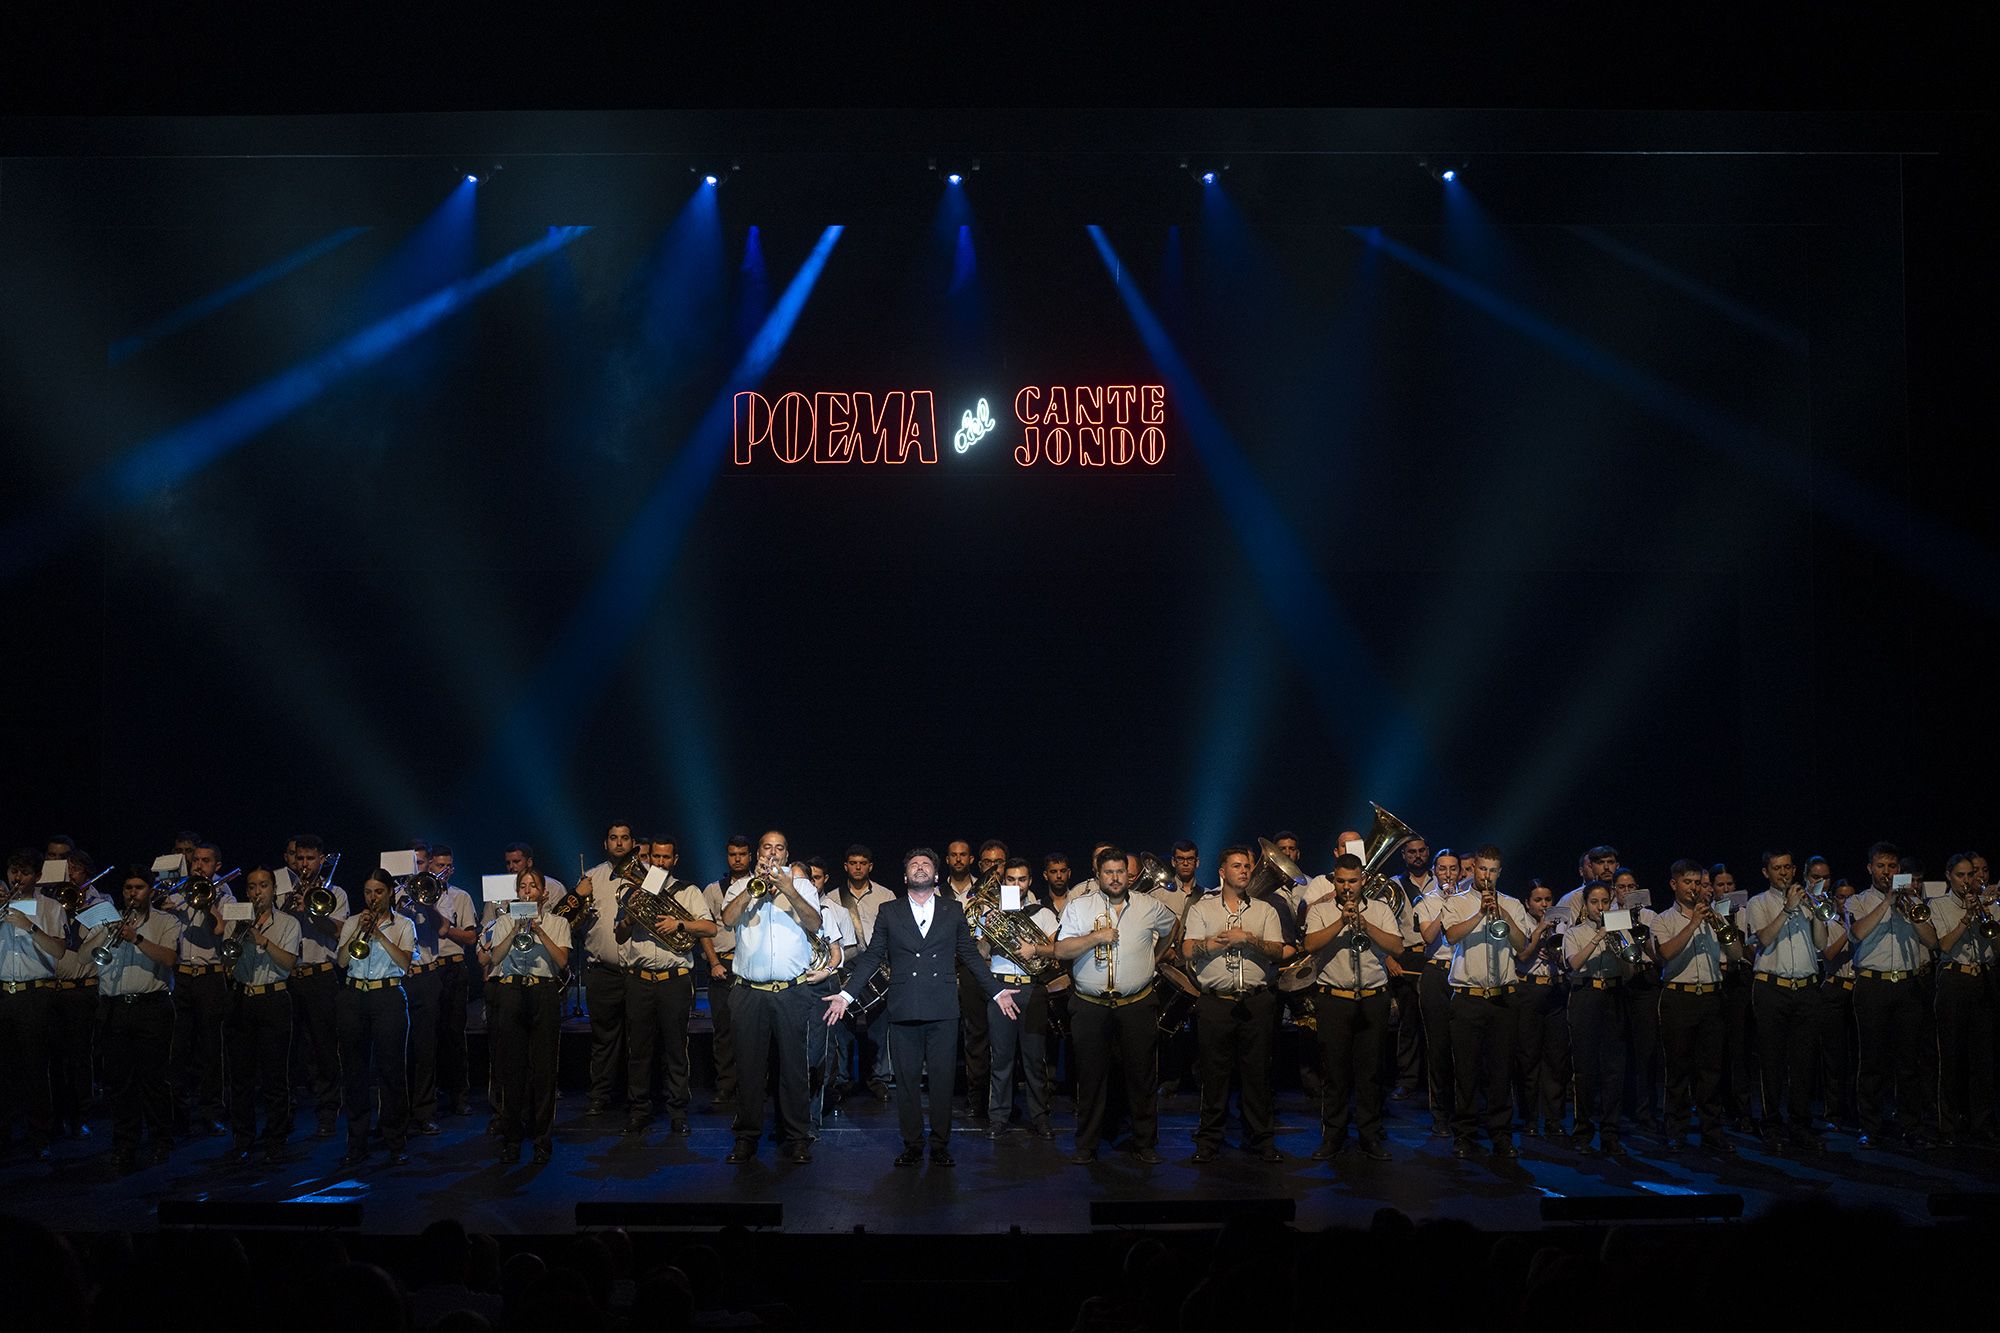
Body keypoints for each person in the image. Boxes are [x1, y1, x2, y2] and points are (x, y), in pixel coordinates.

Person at [824, 847, 1020, 1167]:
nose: (919, 868)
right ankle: (913, 1144)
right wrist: (846, 995)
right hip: (903, 1008)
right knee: (907, 1083)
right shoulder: (890, 911)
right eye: (913, 864)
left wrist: (996, 991)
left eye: (925, 864)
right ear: (905, 876)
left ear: (936, 875)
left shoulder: (953, 910)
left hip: (942, 1008)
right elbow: (872, 956)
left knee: (941, 1083)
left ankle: (940, 1144)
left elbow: (970, 955)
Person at [1054, 847, 1178, 1164]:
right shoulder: (1080, 907)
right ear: (1098, 875)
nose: (1115, 877)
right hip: (1090, 1005)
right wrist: (1095, 938)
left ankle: (1145, 1143)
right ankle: (1087, 1145)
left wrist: (1155, 958)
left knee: (1141, 1077)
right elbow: (1062, 949)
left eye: (1120, 872)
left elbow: (1173, 927)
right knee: (1091, 1078)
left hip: (1136, 1003)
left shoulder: (1150, 906)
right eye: (1108, 872)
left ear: (1129, 874)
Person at [720, 830, 822, 1164]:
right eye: (767, 848)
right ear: (758, 853)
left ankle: (796, 1137)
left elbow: (814, 922)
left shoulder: (802, 885)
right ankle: (747, 1137)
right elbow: (727, 920)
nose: (773, 853)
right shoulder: (741, 885)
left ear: (787, 853)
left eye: (780, 848)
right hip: (750, 992)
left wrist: (788, 888)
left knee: (794, 1069)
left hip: (791, 991)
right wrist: (753, 890)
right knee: (748, 1069)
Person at [1301, 852, 1402, 1161]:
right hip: (1334, 999)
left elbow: (1396, 946)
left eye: (1353, 881)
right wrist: (1341, 921)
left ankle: (1369, 1136)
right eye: (1342, 881)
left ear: (1363, 881)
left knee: (1370, 1073)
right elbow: (1310, 945)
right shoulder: (1319, 911)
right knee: (1335, 1073)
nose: (1347, 887)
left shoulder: (1382, 909)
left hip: (1373, 997)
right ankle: (1333, 1136)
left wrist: (1364, 923)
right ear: (1335, 879)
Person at [620, 837, 717, 1139]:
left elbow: (710, 928)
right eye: (655, 857)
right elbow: (621, 935)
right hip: (639, 979)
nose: (659, 863)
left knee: (676, 1048)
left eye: (665, 858)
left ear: (675, 860)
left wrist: (680, 924)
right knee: (639, 1050)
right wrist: (628, 915)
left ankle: (677, 1112)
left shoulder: (687, 891)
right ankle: (639, 1111)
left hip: (674, 979)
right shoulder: (633, 890)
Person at [1844, 841, 1938, 1147]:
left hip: (1908, 984)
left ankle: (1911, 1124)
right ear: (1870, 868)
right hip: (1873, 985)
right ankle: (1871, 1125)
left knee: (1909, 1062)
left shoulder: (1912, 900)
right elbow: (1857, 934)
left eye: (1893, 867)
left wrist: (1910, 907)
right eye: (1881, 866)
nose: (1887, 872)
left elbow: (1932, 941)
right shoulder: (1858, 901)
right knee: (1871, 1061)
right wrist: (1887, 902)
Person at [89, 866, 182, 1170]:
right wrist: (101, 932)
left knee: (154, 1079)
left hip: (151, 1006)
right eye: (128, 888)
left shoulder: (166, 921)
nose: (132, 893)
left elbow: (169, 959)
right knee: (120, 1082)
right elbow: (81, 956)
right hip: (115, 1007)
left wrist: (136, 938)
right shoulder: (107, 918)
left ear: (150, 891)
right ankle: (124, 1144)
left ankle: (161, 1141)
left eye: (139, 887)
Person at [1439, 844, 1528, 1158]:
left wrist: (1501, 914)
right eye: (1482, 869)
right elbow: (1450, 936)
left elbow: (1521, 945)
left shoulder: (1513, 904)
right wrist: (1480, 914)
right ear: (1473, 869)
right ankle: (1464, 1134)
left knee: (1501, 1072)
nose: (1487, 876)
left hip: (1503, 998)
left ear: (1499, 872)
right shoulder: (1457, 902)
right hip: (1468, 998)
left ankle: (1501, 1135)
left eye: (1492, 871)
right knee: (1466, 1072)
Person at [1650, 859, 1743, 1154]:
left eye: (1698, 883)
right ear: (1674, 884)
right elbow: (1665, 953)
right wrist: (1693, 924)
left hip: (1712, 997)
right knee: (1677, 1070)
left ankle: (1712, 1131)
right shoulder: (1663, 919)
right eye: (1688, 883)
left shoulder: (1714, 916)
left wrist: (1719, 923)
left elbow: (1736, 953)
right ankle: (1676, 1130)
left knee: (1711, 1070)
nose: (1694, 888)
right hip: (1679, 997)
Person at [478, 869, 571, 1164]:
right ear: (517, 892)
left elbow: (561, 961)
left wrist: (538, 929)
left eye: (533, 886)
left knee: (544, 1070)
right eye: (523, 886)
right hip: (511, 992)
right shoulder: (503, 920)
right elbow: (494, 958)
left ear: (543, 893)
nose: (528, 890)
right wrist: (517, 927)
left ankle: (542, 1139)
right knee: (512, 1069)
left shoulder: (558, 922)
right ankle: (513, 1138)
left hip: (543, 992)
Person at [1741, 850, 1828, 1152]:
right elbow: (1763, 939)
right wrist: (1789, 910)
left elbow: (1820, 943)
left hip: (1806, 987)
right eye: (1777, 869)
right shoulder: (1757, 902)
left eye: (1788, 867)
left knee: (1803, 1061)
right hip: (1771, 987)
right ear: (1766, 872)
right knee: (1771, 1059)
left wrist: (1816, 912)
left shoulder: (1807, 899)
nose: (1784, 873)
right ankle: (1771, 1123)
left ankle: (1801, 1124)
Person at [334, 867, 416, 1169]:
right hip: (354, 996)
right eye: (368, 892)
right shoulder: (353, 922)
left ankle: (395, 1142)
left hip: (388, 996)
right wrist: (358, 931)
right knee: (354, 1073)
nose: (372, 898)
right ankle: (357, 1144)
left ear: (389, 893)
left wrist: (379, 934)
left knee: (391, 1073)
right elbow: (342, 961)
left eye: (378, 892)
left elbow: (406, 964)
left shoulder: (404, 924)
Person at [220, 866, 299, 1163]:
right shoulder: (236, 923)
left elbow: (290, 963)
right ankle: (242, 1138)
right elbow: (227, 959)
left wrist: (262, 940)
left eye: (263, 886)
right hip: (242, 998)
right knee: (240, 1077)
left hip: (274, 998)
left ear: (272, 889)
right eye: (252, 887)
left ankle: (276, 1138)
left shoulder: (289, 923)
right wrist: (241, 935)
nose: (256, 892)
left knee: (274, 1077)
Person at [984, 857, 1061, 1137]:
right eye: (1011, 880)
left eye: (1022, 880)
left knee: (1034, 1059)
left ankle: (1040, 1116)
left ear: (1030, 882)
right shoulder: (991, 911)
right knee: (1001, 1057)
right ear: (1004, 882)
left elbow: (1056, 950)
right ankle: (998, 1116)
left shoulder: (1043, 913)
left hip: (1032, 987)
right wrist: (989, 931)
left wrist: (1036, 950)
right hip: (1001, 988)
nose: (1017, 885)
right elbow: (979, 953)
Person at [2, 848, 70, 1162]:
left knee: (34, 1067)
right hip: (4, 992)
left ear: (38, 877)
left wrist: (28, 925)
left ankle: (39, 1133)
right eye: (13, 872)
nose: (17, 879)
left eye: (24, 873)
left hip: (35, 993)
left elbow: (58, 951)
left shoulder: (50, 907)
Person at [167, 841, 236, 1138]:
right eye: (195, 860)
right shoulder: (177, 891)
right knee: (177, 1049)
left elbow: (221, 931)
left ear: (216, 866)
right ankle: (177, 1114)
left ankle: (211, 1112)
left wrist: (207, 903)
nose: (198, 865)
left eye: (205, 861)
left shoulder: (226, 895)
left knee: (211, 1049)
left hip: (210, 976)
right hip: (180, 976)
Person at [283, 834, 349, 1139]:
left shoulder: (336, 892)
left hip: (321, 976)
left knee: (324, 1049)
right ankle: (286, 1111)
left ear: (321, 859)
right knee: (289, 1050)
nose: (304, 864)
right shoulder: (284, 891)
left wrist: (311, 911)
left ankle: (327, 1112)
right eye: (300, 858)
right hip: (289, 977)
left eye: (310, 859)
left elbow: (339, 933)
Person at [1928, 853, 1995, 1146]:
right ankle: (1948, 1124)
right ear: (1948, 876)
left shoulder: (1989, 903)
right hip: (1954, 978)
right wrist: (1967, 918)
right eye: (1961, 875)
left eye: (1971, 875)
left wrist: (1987, 914)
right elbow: (1943, 946)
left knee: (1983, 1056)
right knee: (1951, 1055)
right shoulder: (1939, 905)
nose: (1968, 881)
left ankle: (1982, 1122)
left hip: (1984, 978)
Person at [1563, 882, 1633, 1154]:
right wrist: (1597, 938)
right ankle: (1582, 1133)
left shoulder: (1621, 930)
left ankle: (1611, 1134)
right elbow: (1575, 964)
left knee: (1614, 1069)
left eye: (1605, 901)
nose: (1600, 907)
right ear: (1586, 903)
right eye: (1595, 902)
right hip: (1586, 996)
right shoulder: (1575, 932)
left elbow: (1629, 971)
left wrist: (1623, 947)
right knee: (1584, 1068)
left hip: (1614, 996)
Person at [576, 822, 640, 1117]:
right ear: (605, 844)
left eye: (624, 838)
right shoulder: (590, 877)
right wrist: (578, 899)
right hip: (602, 971)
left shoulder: (647, 875)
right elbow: (571, 924)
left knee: (639, 1038)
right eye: (613, 838)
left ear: (632, 842)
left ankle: (637, 1096)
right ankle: (600, 1094)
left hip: (637, 972)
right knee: (603, 1038)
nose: (619, 843)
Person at [828, 845, 896, 1101]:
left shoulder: (885, 894)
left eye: (863, 863)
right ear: (845, 866)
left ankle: (878, 1079)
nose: (858, 867)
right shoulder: (833, 897)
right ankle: (843, 1079)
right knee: (843, 1025)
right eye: (853, 863)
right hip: (845, 965)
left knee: (879, 1025)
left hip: (878, 965)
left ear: (870, 866)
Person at [48, 850, 108, 1141]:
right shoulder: (50, 901)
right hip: (53, 989)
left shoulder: (101, 902)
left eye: (75, 870)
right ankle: (58, 1115)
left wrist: (75, 909)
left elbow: (89, 941)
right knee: (55, 1059)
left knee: (80, 1057)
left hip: (82, 990)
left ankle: (82, 1116)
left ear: (87, 873)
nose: (69, 875)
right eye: (66, 870)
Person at [1413, 848, 1467, 1136]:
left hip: (1462, 973)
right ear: (1434, 872)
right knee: (1438, 1046)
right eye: (1442, 869)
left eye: (1453, 869)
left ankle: (1463, 1111)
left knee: (1464, 1047)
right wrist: (1446, 906)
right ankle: (1440, 1115)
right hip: (1436, 973)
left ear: (1460, 872)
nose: (1448, 874)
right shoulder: (1426, 901)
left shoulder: (1469, 901)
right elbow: (1429, 936)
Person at [1512, 879, 1570, 1140]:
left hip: (1556, 989)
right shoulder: (1522, 921)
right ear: (1528, 903)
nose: (1544, 904)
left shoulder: (1563, 922)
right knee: (1528, 1057)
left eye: (1548, 899)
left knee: (1556, 1059)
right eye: (1538, 900)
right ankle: (1530, 1118)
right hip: (1529, 991)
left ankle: (1555, 1118)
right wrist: (1539, 932)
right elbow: (1522, 955)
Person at [941, 838, 994, 1125]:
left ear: (971, 859)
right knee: (946, 1036)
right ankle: (944, 1095)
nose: (959, 859)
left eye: (964, 855)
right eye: (954, 855)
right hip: (946, 972)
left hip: (977, 970)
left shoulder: (988, 891)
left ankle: (978, 1099)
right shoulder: (936, 892)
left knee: (977, 1037)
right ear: (947, 859)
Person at [700, 835, 753, 1112]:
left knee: (754, 1031)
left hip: (752, 968)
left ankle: (753, 1084)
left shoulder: (762, 885)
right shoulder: (713, 889)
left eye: (742, 854)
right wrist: (713, 963)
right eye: (732, 854)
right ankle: (725, 1085)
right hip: (723, 963)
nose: (737, 859)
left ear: (750, 856)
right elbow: (705, 930)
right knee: (723, 1030)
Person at [426, 847, 479, 1118]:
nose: (442, 871)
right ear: (428, 867)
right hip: (429, 970)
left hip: (454, 968)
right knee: (428, 1036)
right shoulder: (417, 895)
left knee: (455, 1034)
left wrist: (444, 927)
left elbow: (471, 938)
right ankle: (429, 1096)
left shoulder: (461, 896)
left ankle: (459, 1095)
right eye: (437, 866)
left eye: (447, 866)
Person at [1383, 832, 1435, 1102]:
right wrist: (1388, 958)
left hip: (1435, 956)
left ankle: (1435, 1079)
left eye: (1422, 851)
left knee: (1436, 1021)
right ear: (1403, 855)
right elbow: (1382, 924)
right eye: (1411, 852)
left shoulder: (1442, 883)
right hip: (1406, 954)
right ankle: (1407, 1079)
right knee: (1409, 1021)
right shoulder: (1393, 885)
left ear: (1428, 851)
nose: (1418, 856)